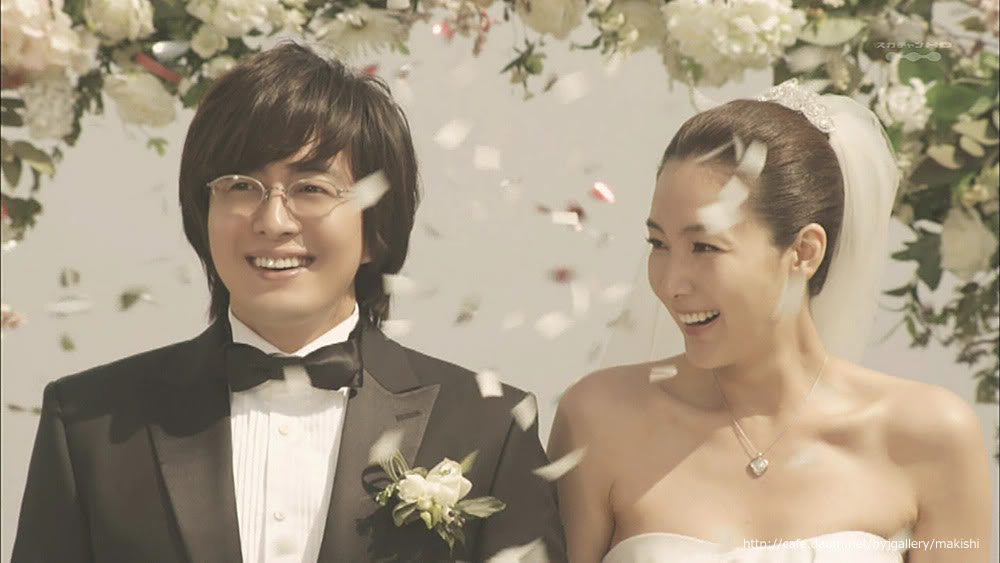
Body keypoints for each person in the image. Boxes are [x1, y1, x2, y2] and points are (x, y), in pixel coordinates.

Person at [13, 43, 566, 563]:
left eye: (311, 189)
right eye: (240, 186)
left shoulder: (489, 426)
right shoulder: (87, 423)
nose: (273, 221)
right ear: (202, 214)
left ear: (376, 229)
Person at [548, 81, 994, 562]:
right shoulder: (598, 421)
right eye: (659, 244)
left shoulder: (931, 438)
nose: (672, 283)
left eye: (704, 247)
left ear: (804, 251)